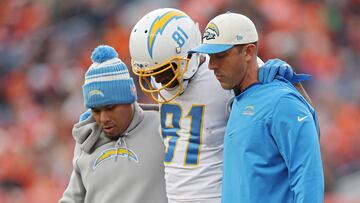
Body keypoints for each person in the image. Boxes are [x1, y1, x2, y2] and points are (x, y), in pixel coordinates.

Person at [128, 8, 305, 203]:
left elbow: (300, 120)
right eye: (152, 73)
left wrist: (292, 84)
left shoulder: (224, 75)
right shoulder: (161, 77)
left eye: (165, 70)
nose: (159, 80)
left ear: (189, 53)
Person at [189, 12, 324, 202]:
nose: (212, 65)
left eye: (220, 56)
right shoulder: (238, 99)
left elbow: (309, 177)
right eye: (210, 57)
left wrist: (295, 89)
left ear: (249, 52)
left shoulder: (281, 100)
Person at [59, 45, 167, 203]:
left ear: (129, 100)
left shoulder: (163, 126)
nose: (103, 118)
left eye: (110, 108)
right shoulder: (87, 140)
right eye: (96, 110)